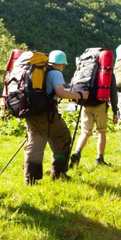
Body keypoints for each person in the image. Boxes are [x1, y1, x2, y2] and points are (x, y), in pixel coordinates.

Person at [23, 50, 82, 185]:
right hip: (46, 114)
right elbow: (60, 92)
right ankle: (58, 174)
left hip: (31, 112)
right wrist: (80, 95)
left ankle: (30, 180)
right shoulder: (55, 73)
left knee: (35, 144)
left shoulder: (38, 70)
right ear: (61, 64)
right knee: (64, 138)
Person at [69, 71, 119, 167]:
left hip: (86, 103)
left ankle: (77, 152)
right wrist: (115, 111)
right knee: (101, 131)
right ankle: (99, 158)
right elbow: (113, 92)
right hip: (100, 103)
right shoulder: (106, 70)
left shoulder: (85, 68)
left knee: (85, 132)